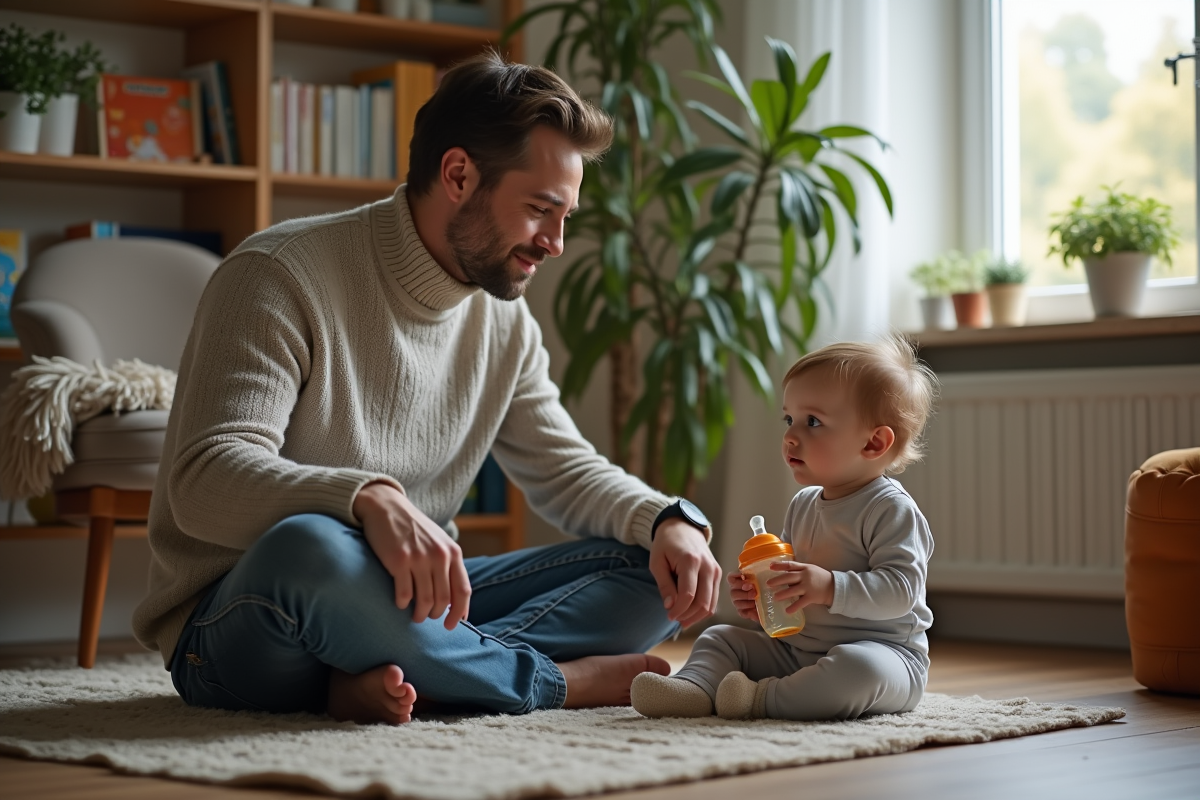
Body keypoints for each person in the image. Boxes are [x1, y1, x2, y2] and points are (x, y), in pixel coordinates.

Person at [131, 50, 722, 725]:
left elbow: (564, 468)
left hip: (411, 603)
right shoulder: (277, 274)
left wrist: (667, 520)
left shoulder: (504, 320)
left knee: (654, 571)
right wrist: (365, 497)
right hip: (239, 619)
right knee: (312, 548)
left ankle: (412, 674)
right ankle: (548, 682)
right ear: (459, 175)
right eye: (540, 209)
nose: (556, 243)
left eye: (567, 216)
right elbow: (203, 484)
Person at [630, 334, 937, 720]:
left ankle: (760, 699)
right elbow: (793, 596)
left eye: (813, 422)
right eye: (789, 419)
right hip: (800, 652)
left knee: (857, 670)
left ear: (873, 443)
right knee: (720, 637)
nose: (791, 436)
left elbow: (901, 592)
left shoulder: (890, 509)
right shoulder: (803, 504)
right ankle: (694, 689)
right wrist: (764, 601)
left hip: (887, 657)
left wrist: (827, 586)